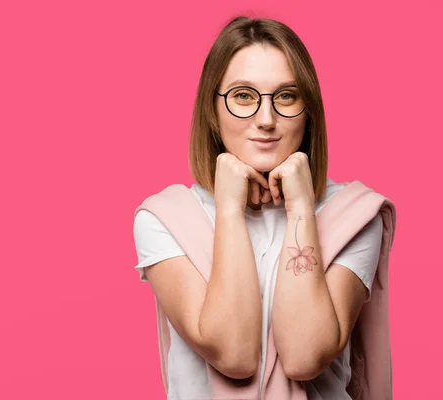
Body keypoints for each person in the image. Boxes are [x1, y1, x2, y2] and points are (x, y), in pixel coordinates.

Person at [133, 15, 384, 400]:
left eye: (286, 96)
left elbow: (304, 355)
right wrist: (229, 210)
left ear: (308, 110)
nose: (266, 120)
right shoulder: (164, 218)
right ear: (212, 111)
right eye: (243, 96)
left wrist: (301, 207)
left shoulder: (354, 214)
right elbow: (234, 354)